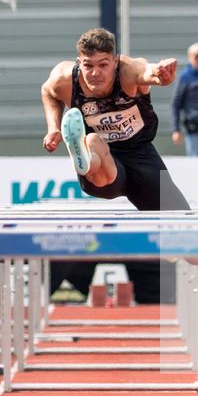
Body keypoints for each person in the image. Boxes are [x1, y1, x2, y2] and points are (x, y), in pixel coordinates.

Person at [40, 27, 184, 304]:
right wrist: (52, 128)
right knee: (94, 141)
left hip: (141, 157)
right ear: (79, 61)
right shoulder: (64, 79)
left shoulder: (129, 72)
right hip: (103, 169)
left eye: (103, 65)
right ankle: (83, 156)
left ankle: (175, 242)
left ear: (115, 62)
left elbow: (149, 72)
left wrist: (161, 74)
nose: (94, 73)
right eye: (88, 65)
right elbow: (47, 92)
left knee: (197, 254)